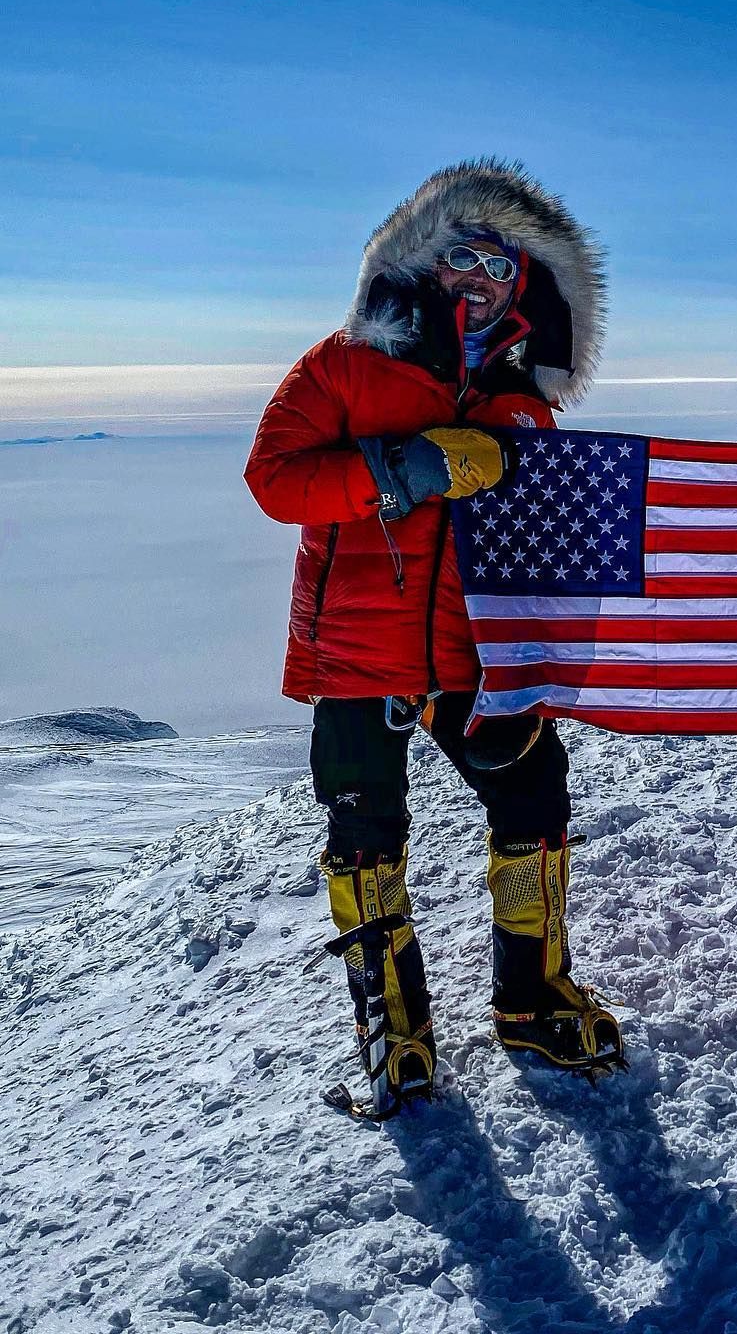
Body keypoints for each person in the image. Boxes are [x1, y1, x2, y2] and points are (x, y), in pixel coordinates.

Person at [245, 160, 622, 1119]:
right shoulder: (343, 363)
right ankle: (395, 1029)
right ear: (423, 259)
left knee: (534, 796)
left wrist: (544, 670)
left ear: (527, 288)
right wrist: (400, 471)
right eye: (462, 254)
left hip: (471, 658)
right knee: (365, 836)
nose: (479, 279)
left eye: (503, 267)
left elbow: (551, 559)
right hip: (358, 653)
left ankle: (531, 1001)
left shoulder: (525, 405)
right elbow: (275, 479)